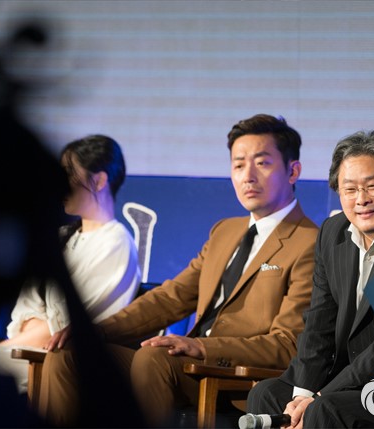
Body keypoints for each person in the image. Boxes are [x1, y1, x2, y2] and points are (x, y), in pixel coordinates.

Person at [37, 113, 319, 427]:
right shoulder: (225, 231)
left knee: (154, 358)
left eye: (262, 163)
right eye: (239, 165)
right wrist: (96, 331)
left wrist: (201, 346)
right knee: (68, 355)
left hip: (235, 378)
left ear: (293, 171)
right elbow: (170, 298)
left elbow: (286, 344)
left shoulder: (310, 242)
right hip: (185, 366)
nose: (248, 176)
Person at [247, 129, 374, 428]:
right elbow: (319, 323)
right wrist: (303, 393)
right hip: (347, 376)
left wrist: (319, 396)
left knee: (324, 410)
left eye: (373, 186)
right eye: (350, 189)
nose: (361, 200)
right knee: (267, 395)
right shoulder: (333, 233)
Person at [0, 134, 140, 394]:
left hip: (59, 361)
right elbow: (25, 309)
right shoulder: (62, 236)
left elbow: (64, 329)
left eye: (69, 174)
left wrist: (5, 348)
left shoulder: (115, 241)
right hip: (26, 349)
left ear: (99, 180)